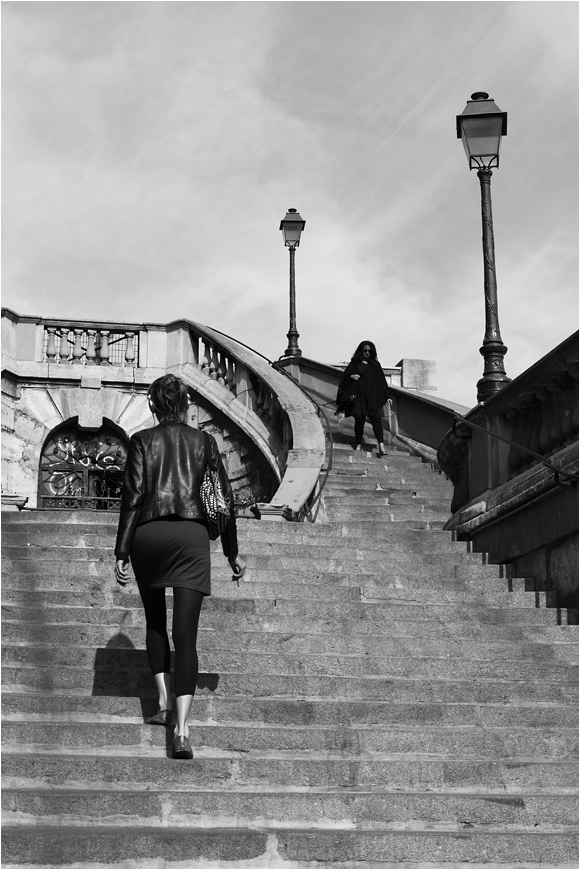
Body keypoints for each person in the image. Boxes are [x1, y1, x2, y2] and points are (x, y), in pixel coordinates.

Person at [114, 374, 245, 760]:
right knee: (185, 634)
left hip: (148, 536)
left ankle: (162, 703)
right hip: (191, 536)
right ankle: (183, 732)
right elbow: (224, 500)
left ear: (154, 406)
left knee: (155, 621)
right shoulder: (204, 442)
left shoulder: (142, 441)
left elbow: (133, 497)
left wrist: (121, 549)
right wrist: (231, 553)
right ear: (186, 405)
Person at [336, 340, 392, 456]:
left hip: (372, 396)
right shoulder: (354, 363)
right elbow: (344, 378)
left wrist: (387, 396)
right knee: (359, 420)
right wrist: (352, 376)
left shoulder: (375, 365)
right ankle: (358, 445)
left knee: (376, 420)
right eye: (365, 350)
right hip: (358, 397)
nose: (367, 352)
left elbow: (382, 381)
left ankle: (381, 446)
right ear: (360, 351)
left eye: (369, 351)